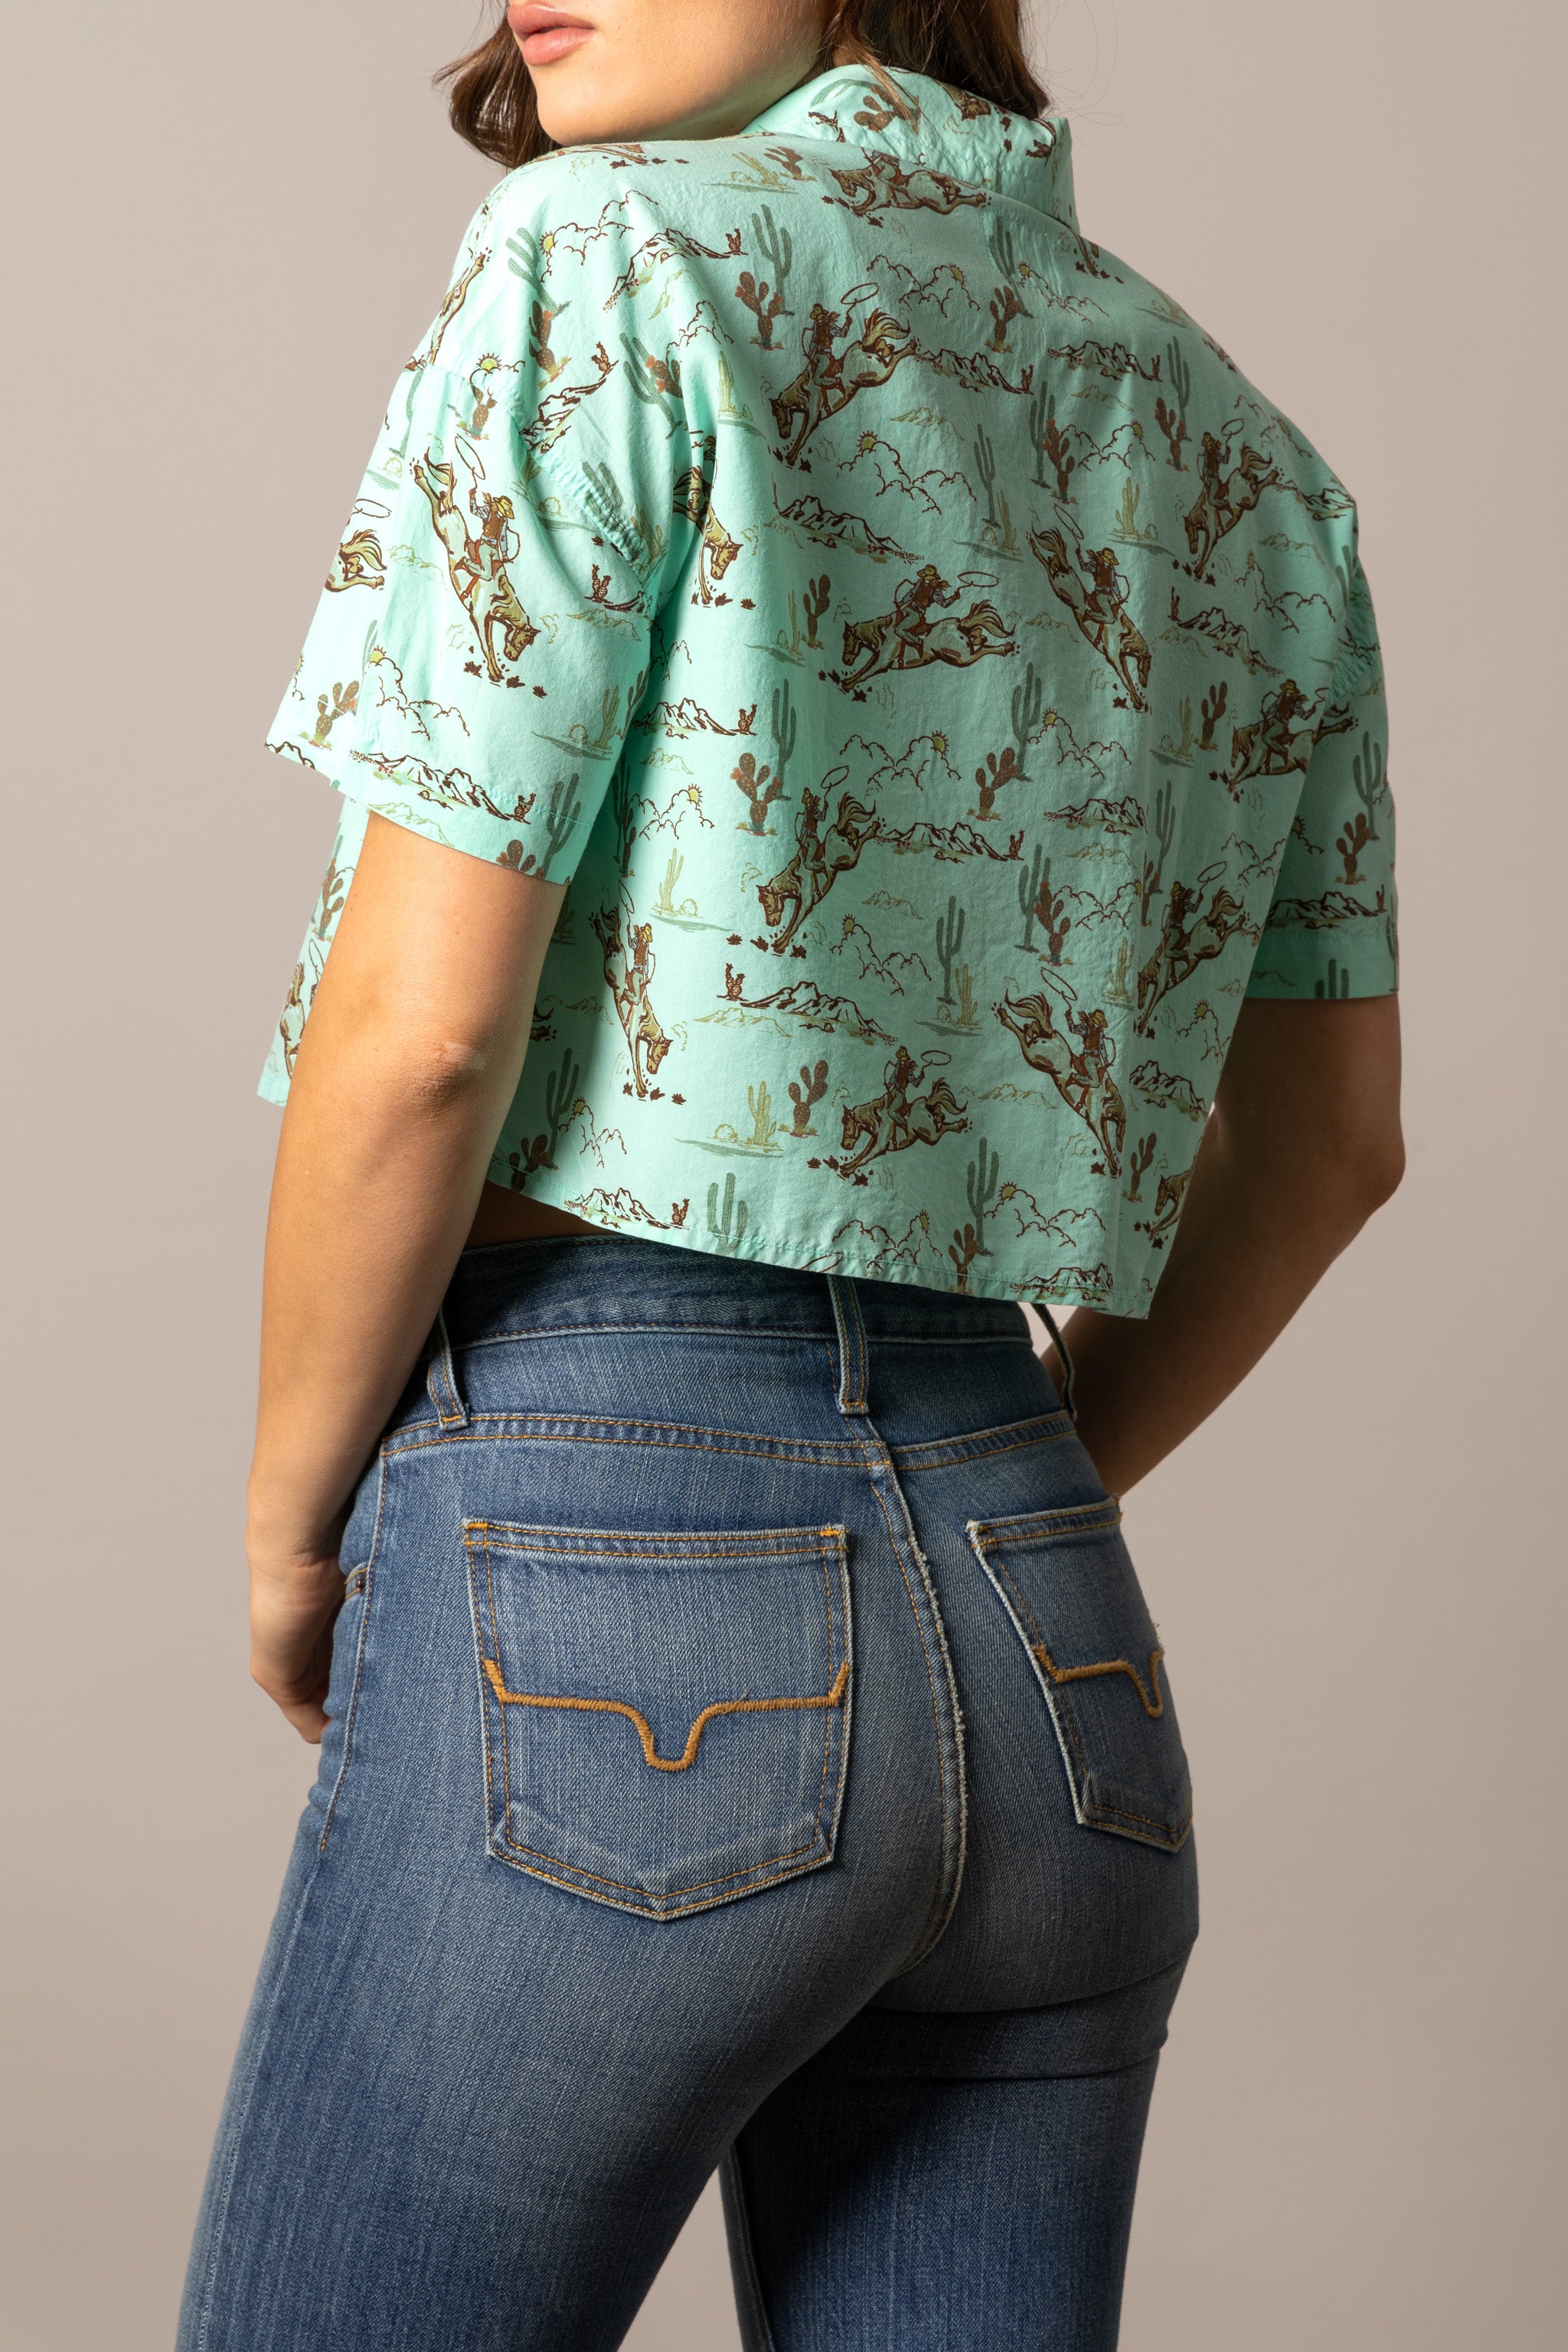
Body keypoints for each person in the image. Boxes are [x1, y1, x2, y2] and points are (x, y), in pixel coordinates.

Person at [181, 4, 1403, 2345]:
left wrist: (287, 1527)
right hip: (1047, 1623)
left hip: (609, 1581)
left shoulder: (603, 253)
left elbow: (424, 1040)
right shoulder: (1231, 437)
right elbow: (1336, 1143)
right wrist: (1010, 1493)